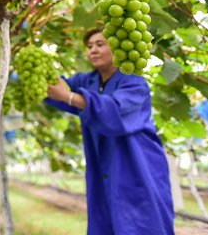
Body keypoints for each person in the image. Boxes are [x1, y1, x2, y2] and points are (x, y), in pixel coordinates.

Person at [45, 27, 175, 235]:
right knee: (105, 221)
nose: (92, 51)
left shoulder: (135, 83)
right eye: (89, 46)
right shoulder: (87, 82)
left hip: (137, 167)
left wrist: (69, 97)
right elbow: (56, 88)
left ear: (117, 47)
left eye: (100, 44)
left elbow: (113, 112)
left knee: (144, 222)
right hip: (103, 168)